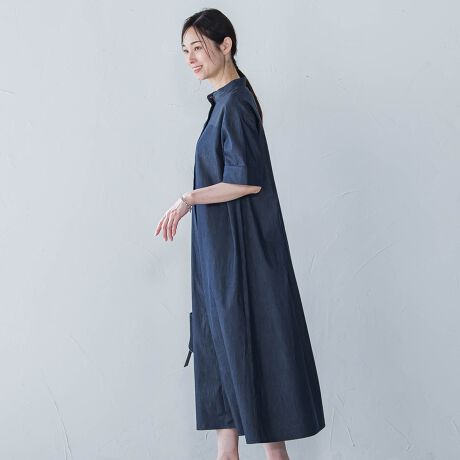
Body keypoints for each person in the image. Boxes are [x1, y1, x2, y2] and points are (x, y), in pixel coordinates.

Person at [155, 8, 326, 460]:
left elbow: (245, 180)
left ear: (225, 44)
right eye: (185, 51)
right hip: (221, 259)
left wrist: (187, 200)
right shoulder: (225, 104)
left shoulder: (234, 105)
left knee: (250, 355)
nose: (191, 58)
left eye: (198, 47)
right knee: (224, 368)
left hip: (239, 261)